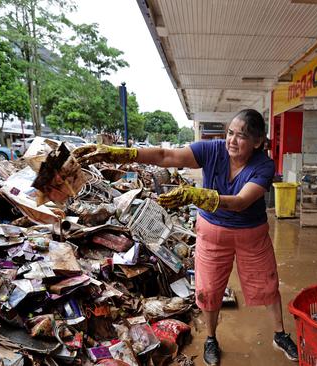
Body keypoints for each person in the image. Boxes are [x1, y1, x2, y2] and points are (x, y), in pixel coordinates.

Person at [72, 109, 298, 365]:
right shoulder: (212, 150)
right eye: (230, 133)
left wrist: (196, 195)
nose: (232, 141)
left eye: (242, 136)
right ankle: (211, 338)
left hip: (251, 234)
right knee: (208, 289)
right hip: (213, 233)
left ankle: (279, 334)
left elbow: (241, 202)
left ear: (257, 142)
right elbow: (165, 155)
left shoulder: (264, 166)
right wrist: (121, 154)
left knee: (267, 283)